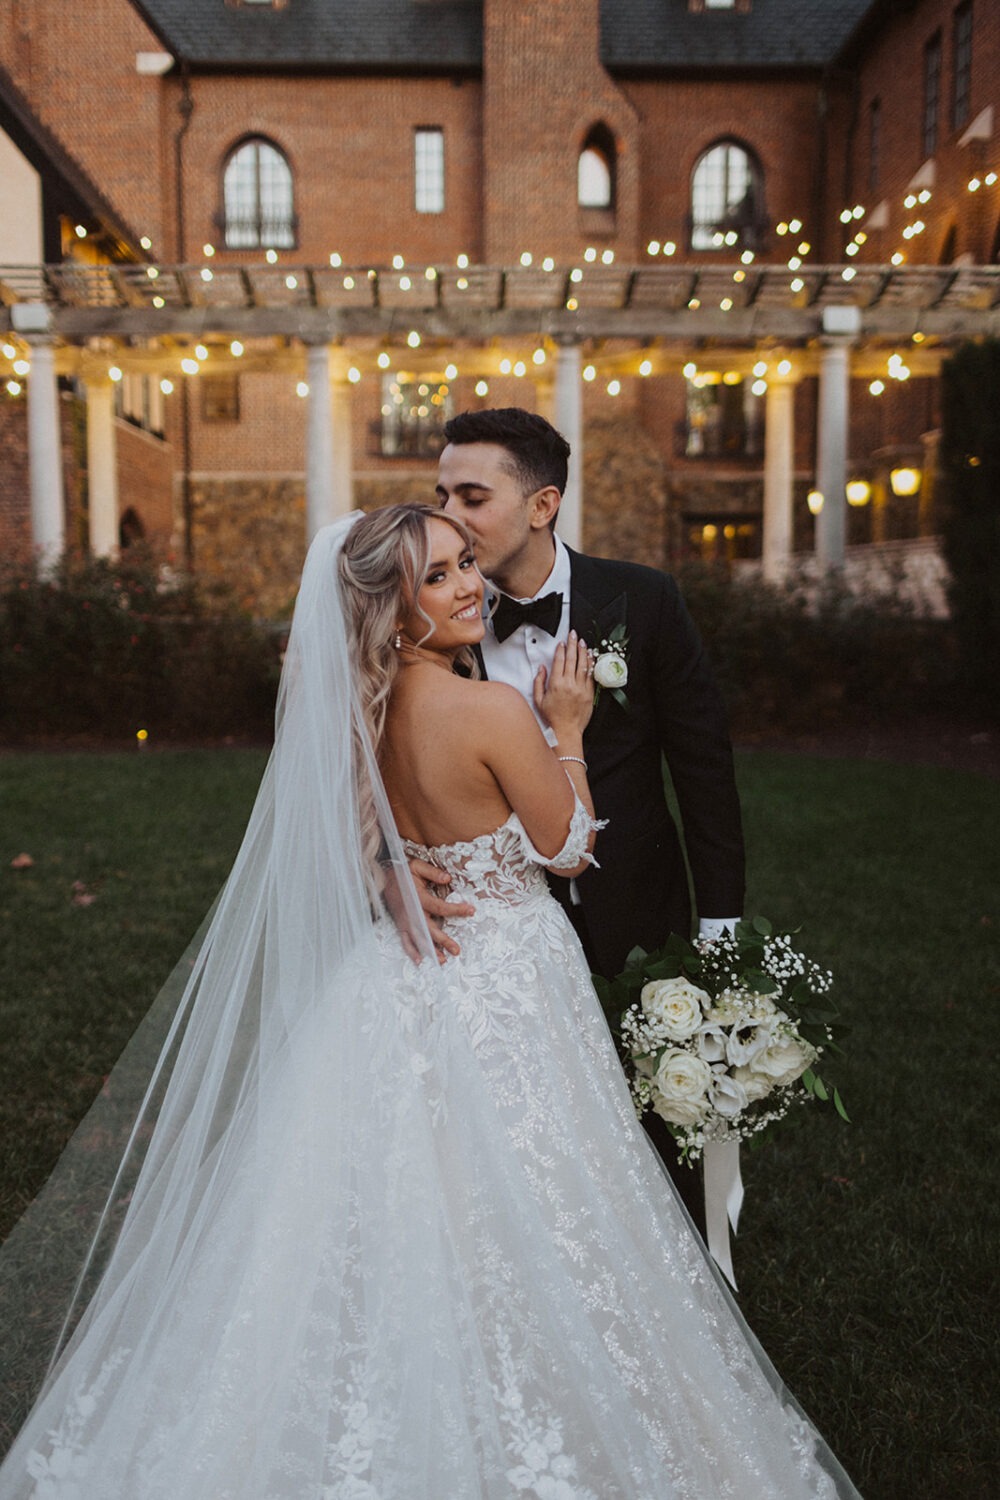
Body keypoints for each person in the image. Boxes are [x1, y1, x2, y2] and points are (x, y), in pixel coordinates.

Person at [0, 506, 860, 1498]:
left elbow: (343, 823)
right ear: (391, 612)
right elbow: (566, 845)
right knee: (544, 1180)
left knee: (376, 1187)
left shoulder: (358, 713)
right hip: (504, 969)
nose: (469, 586)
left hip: (397, 971)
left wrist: (387, 861)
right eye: (440, 576)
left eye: (464, 563)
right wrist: (569, 730)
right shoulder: (493, 711)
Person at [428, 407, 745, 1230]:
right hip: (502, 927)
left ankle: (680, 1263)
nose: (450, 517)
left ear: (543, 505)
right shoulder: (435, 621)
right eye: (441, 495)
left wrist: (719, 923)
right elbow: (384, 764)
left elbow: (704, 769)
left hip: (638, 905)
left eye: (472, 496)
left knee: (659, 1112)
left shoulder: (643, 600)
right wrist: (385, 860)